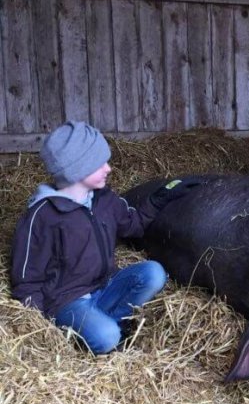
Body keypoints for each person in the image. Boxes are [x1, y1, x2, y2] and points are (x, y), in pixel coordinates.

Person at [11, 121, 197, 354]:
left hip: (106, 285)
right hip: (67, 302)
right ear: (77, 169)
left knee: (153, 272)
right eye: (99, 164)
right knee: (107, 337)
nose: (108, 168)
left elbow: (134, 225)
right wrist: (40, 332)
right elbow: (28, 280)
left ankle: (110, 322)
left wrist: (160, 197)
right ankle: (105, 331)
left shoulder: (104, 200)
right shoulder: (43, 215)